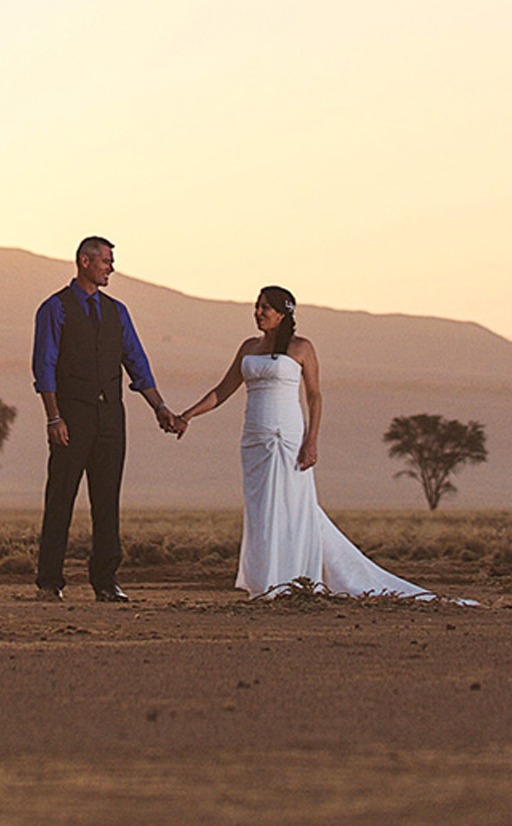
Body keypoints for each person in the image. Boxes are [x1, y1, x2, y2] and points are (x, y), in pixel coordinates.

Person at [175, 285, 471, 602]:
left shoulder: (302, 348)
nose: (258, 313)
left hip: (287, 436)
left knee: (293, 505)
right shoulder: (249, 347)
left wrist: (311, 441)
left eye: (265, 308)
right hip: (254, 438)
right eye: (257, 307)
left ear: (282, 313)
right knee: (261, 508)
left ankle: (293, 579)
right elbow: (223, 390)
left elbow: (315, 396)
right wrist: (187, 415)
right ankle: (266, 580)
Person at [31, 236, 180, 602]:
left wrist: (159, 407)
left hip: (111, 416)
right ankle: (50, 581)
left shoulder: (117, 311)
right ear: (85, 261)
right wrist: (54, 417)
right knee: (61, 496)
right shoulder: (55, 308)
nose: (111, 268)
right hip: (72, 415)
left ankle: (106, 581)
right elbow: (44, 365)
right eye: (106, 262)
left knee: (107, 498)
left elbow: (137, 362)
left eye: (111, 262)